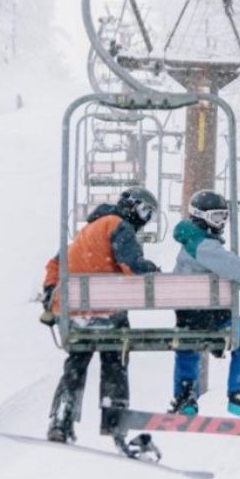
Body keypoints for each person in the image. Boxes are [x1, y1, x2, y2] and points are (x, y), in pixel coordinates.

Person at [40, 186, 160, 455]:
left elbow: (54, 264)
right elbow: (133, 268)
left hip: (75, 314)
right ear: (131, 206)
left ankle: (62, 417)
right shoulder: (119, 227)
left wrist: (51, 293)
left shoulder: (87, 232)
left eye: (149, 215)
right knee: (115, 360)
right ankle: (115, 421)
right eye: (144, 211)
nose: (144, 219)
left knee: (77, 362)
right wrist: (152, 270)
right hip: (107, 314)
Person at [168, 190, 240, 422]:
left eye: (224, 217)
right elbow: (231, 266)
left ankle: (185, 397)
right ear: (200, 216)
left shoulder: (189, 244)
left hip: (187, 319)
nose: (221, 224)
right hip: (211, 318)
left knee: (187, 344)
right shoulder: (202, 244)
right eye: (216, 218)